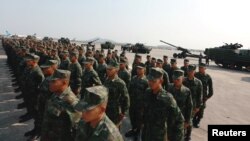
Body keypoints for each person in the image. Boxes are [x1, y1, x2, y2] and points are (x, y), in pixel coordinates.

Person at [142, 68, 184, 141]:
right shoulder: (147, 92)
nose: (150, 83)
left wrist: (174, 138)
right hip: (146, 134)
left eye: (153, 81)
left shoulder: (167, 98)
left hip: (160, 137)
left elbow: (179, 120)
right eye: (149, 80)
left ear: (161, 81)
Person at [41, 69, 81, 141]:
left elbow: (76, 132)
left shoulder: (72, 103)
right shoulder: (55, 94)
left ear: (64, 82)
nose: (50, 84)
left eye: (53, 81)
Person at [26, 60, 58, 140]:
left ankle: (39, 133)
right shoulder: (47, 77)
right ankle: (35, 130)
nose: (44, 70)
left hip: (47, 104)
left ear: (52, 68)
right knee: (38, 117)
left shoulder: (55, 80)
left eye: (46, 68)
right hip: (41, 101)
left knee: (43, 121)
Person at [125, 63, 148, 141]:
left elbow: (147, 95)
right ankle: (133, 129)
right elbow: (129, 90)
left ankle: (138, 133)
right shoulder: (134, 78)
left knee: (139, 120)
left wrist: (144, 107)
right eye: (138, 68)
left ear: (144, 70)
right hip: (133, 103)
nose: (138, 70)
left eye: (140, 69)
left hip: (140, 105)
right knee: (132, 117)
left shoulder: (146, 81)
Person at [168, 70, 193, 140]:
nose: (176, 81)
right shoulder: (169, 87)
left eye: (178, 79)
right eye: (174, 79)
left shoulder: (186, 91)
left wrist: (187, 121)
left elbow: (189, 106)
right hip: (169, 118)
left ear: (183, 79)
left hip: (180, 120)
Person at [104, 61, 130, 128]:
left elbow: (126, 98)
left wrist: (123, 113)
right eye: (107, 69)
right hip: (106, 109)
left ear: (116, 70)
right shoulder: (106, 80)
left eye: (110, 69)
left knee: (114, 130)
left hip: (115, 112)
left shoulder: (120, 83)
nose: (108, 71)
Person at [20, 54, 45, 123]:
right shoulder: (30, 68)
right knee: (28, 104)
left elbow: (40, 85)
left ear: (34, 62)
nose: (27, 62)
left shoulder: (38, 72)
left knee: (33, 106)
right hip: (28, 90)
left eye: (29, 61)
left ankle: (31, 115)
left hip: (33, 93)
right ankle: (29, 113)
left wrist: (36, 94)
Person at [183, 64, 203, 141]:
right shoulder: (183, 80)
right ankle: (183, 134)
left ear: (194, 71)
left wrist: (198, 107)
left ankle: (188, 136)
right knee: (183, 120)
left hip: (192, 105)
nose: (190, 72)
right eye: (188, 71)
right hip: (183, 104)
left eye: (191, 71)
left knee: (189, 121)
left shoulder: (198, 82)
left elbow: (200, 96)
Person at [194, 63, 213, 128]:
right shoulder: (195, 74)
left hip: (203, 96)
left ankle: (198, 121)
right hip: (195, 95)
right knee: (194, 108)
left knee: (201, 110)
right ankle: (193, 120)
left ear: (205, 68)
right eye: (199, 67)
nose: (200, 69)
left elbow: (211, 90)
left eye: (201, 68)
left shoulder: (208, 77)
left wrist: (207, 97)